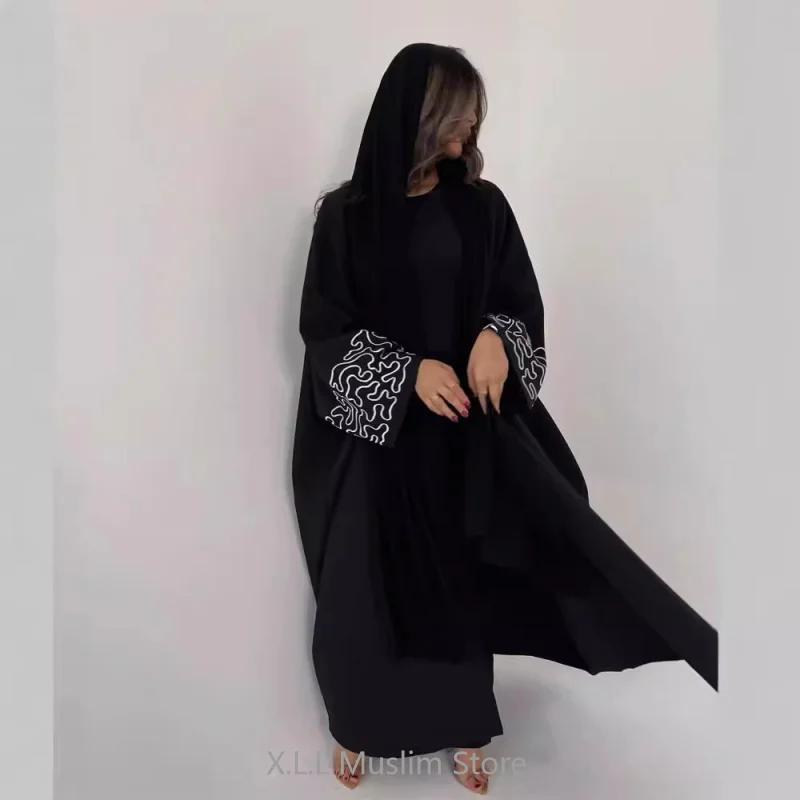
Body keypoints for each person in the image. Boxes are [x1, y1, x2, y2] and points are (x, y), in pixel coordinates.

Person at [291, 43, 717, 793]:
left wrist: (497, 336)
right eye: (458, 119)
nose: (468, 134)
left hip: (462, 439)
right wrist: (406, 373)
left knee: (459, 588)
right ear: (419, 116)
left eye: (473, 119)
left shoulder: (483, 208)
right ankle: (359, 725)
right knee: (365, 595)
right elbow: (324, 329)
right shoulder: (346, 218)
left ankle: (462, 727)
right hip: (379, 442)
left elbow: (517, 299)